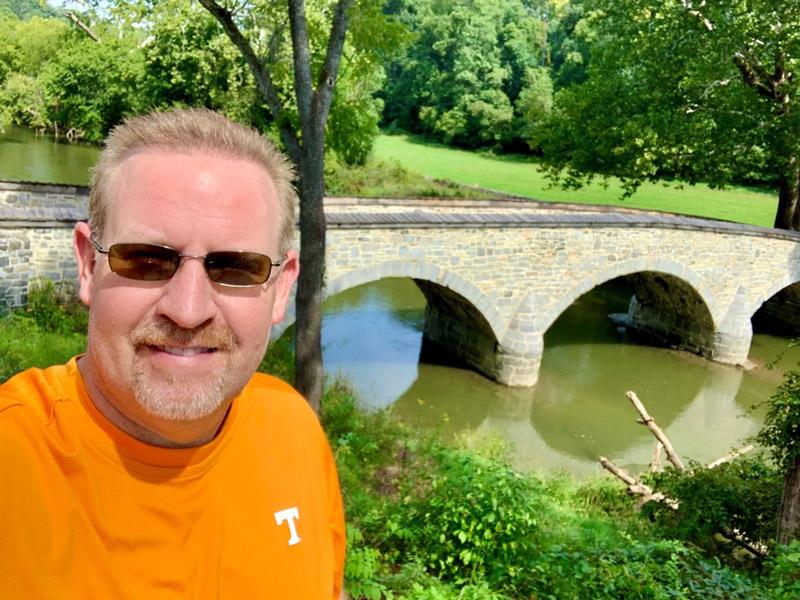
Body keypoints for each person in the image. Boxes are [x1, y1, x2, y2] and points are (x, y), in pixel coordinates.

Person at [0, 108, 345, 599]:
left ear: (281, 287)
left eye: (236, 268)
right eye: (145, 260)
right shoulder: (12, 463)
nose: (187, 311)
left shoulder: (295, 428)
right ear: (86, 264)